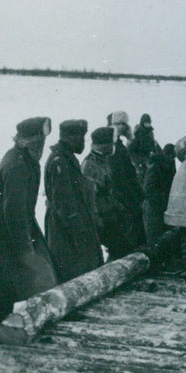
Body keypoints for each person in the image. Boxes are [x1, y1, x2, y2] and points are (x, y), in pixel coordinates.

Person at [0, 117, 58, 322]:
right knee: (6, 281)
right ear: (31, 142)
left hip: (14, 223)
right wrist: (25, 250)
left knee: (32, 276)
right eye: (39, 141)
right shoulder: (18, 166)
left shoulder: (24, 159)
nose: (42, 147)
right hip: (2, 229)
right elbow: (13, 213)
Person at [44, 119, 103, 282]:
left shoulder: (67, 158)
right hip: (66, 233)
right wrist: (79, 234)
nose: (83, 143)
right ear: (69, 138)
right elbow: (65, 204)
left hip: (71, 229)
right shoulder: (60, 162)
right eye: (80, 138)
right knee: (74, 276)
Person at [81, 126, 132, 260]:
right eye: (111, 143)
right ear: (104, 145)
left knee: (121, 249)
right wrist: (97, 218)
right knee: (119, 249)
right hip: (103, 217)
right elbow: (90, 196)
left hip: (110, 213)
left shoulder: (102, 160)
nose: (113, 146)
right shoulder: (90, 165)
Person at [108, 111, 146, 250]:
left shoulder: (118, 145)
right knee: (129, 238)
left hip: (123, 198)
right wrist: (134, 200)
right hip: (122, 200)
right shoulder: (114, 148)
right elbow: (121, 179)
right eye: (120, 124)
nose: (122, 127)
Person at [143, 143, 177, 243]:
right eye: (171, 156)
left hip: (163, 206)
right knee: (155, 238)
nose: (172, 159)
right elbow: (148, 190)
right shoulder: (155, 168)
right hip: (154, 208)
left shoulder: (169, 166)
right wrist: (162, 199)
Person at [129, 113, 161, 184]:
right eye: (146, 123)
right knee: (141, 181)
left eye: (149, 122)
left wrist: (159, 154)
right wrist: (141, 161)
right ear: (142, 123)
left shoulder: (150, 133)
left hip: (148, 162)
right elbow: (130, 151)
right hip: (139, 165)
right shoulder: (137, 134)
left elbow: (154, 146)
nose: (148, 124)